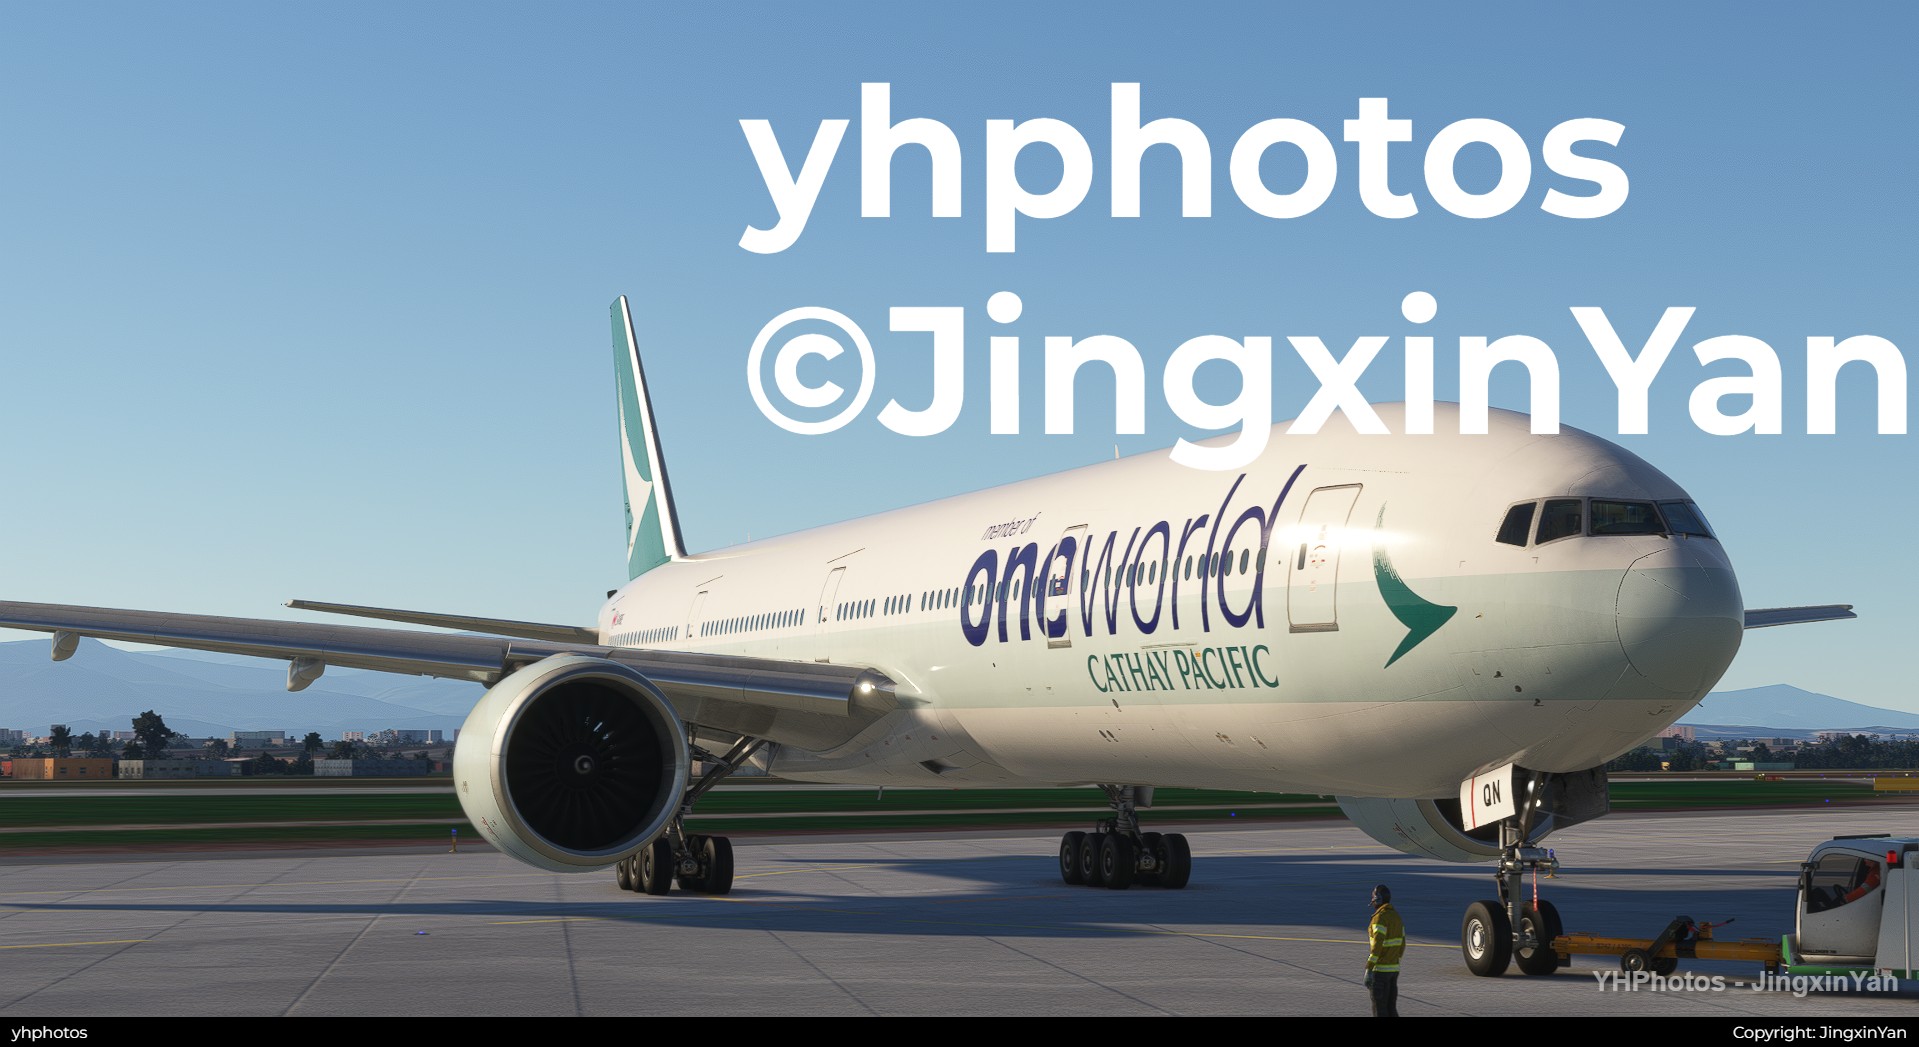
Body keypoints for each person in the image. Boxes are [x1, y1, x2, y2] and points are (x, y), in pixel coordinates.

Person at [1365, 884, 1404, 1017]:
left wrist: (1369, 968)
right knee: (1391, 1010)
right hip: (1394, 970)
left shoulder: (1379, 918)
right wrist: (1393, 959)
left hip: (1380, 972)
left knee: (1380, 1011)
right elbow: (1402, 944)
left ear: (1377, 899)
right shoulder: (1396, 917)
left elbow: (1377, 945)